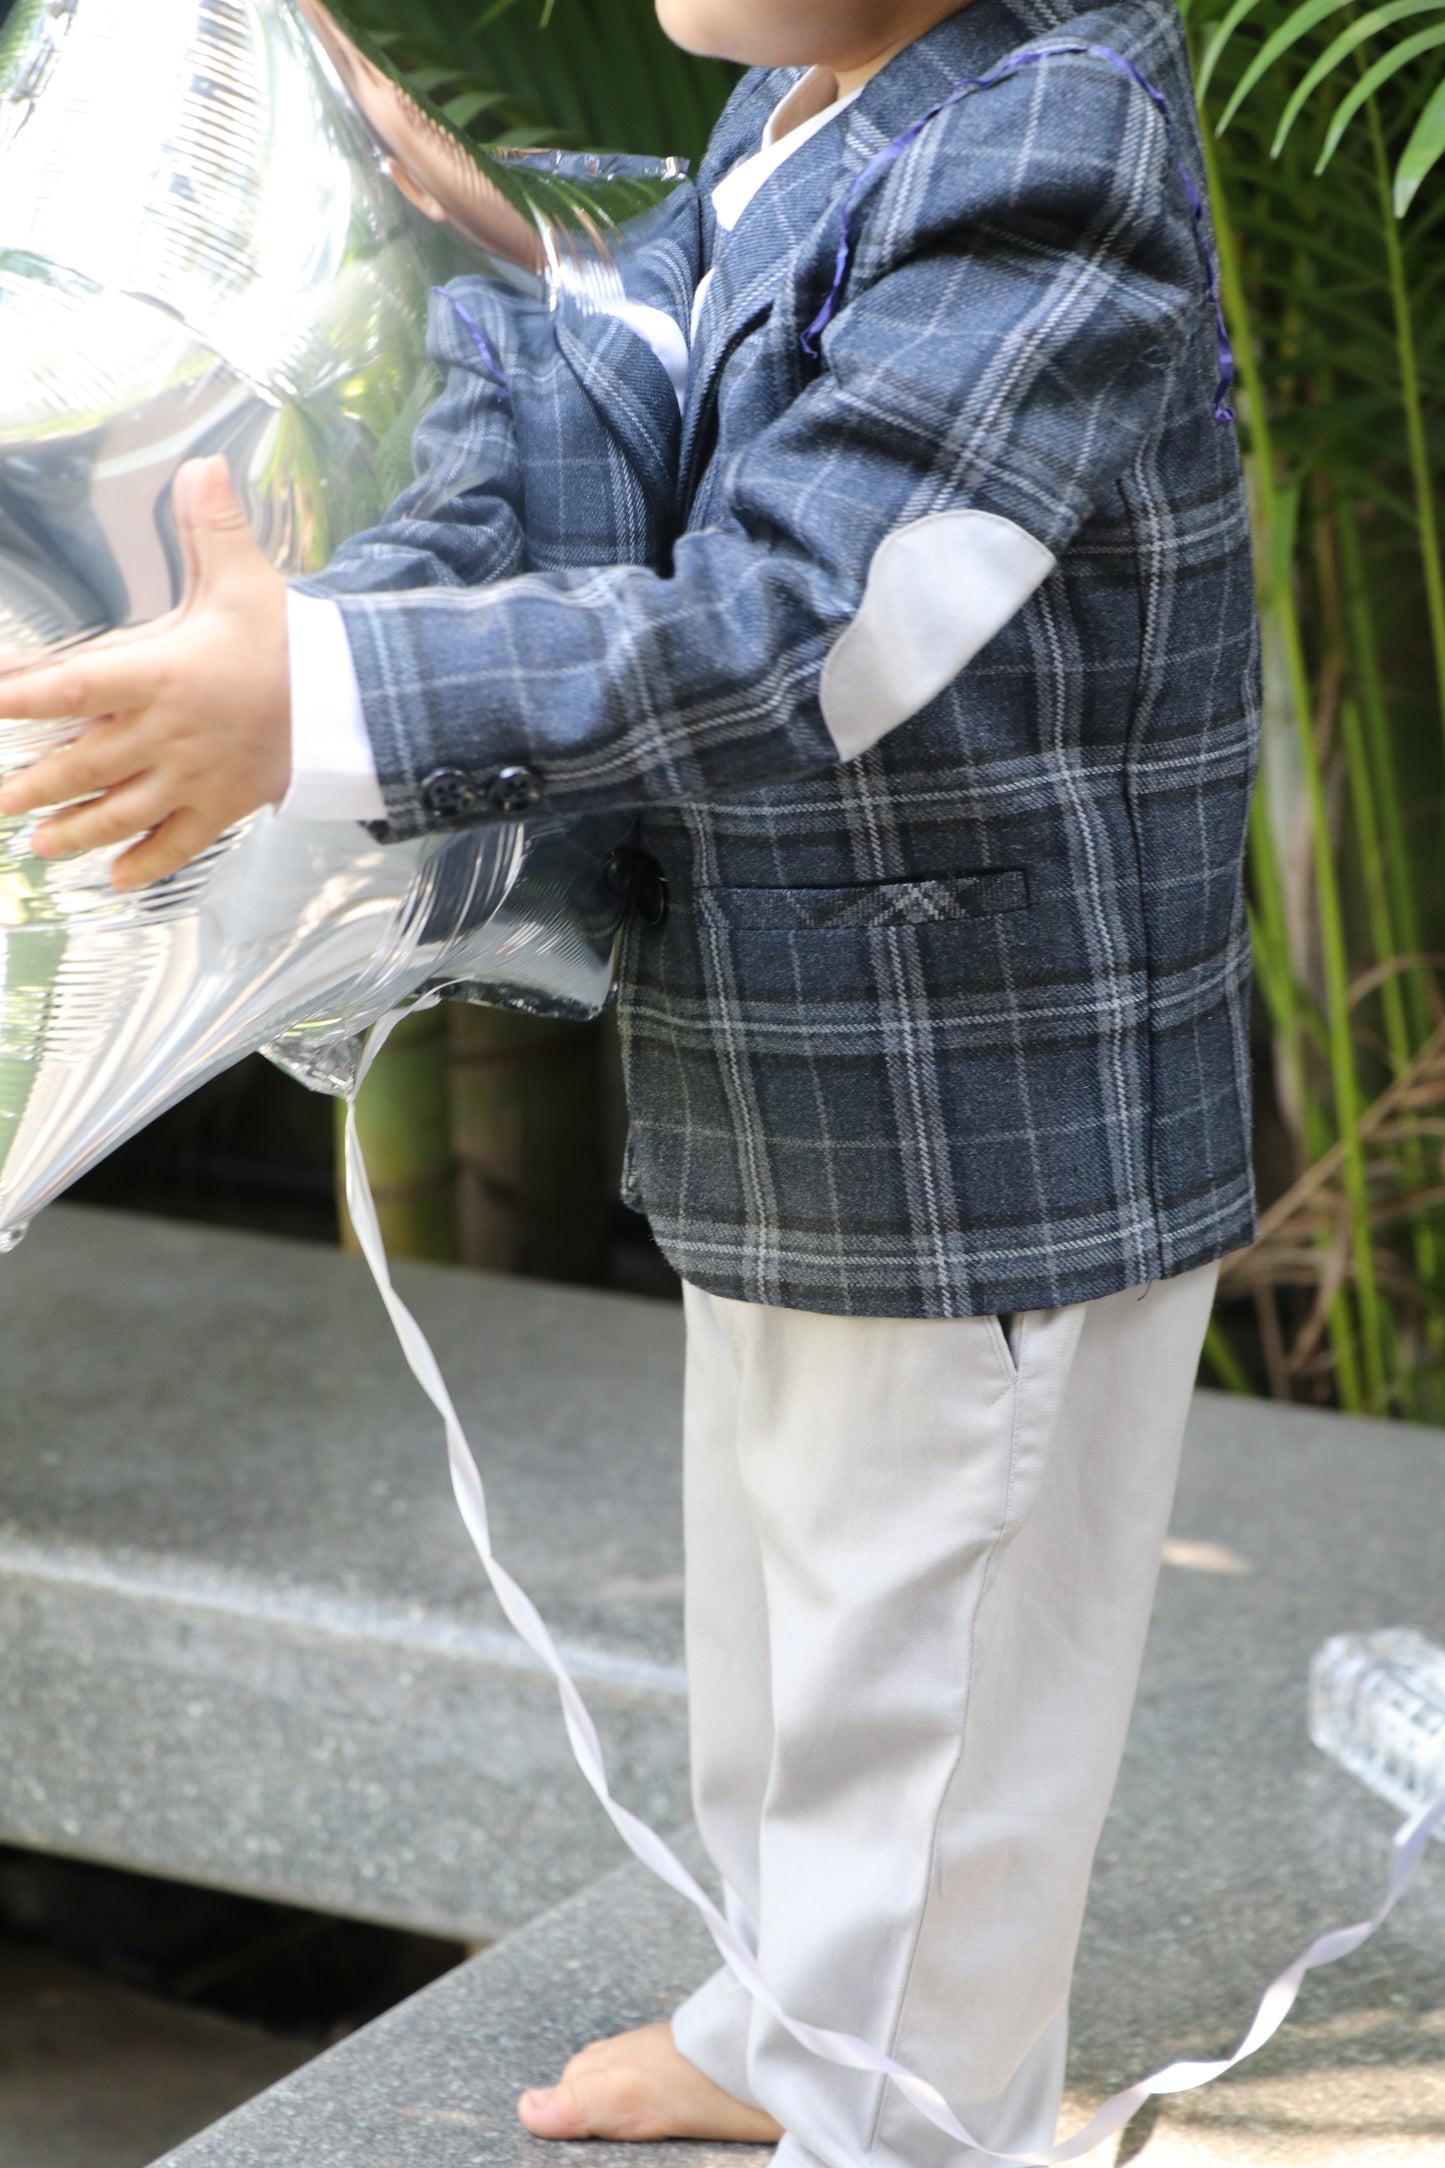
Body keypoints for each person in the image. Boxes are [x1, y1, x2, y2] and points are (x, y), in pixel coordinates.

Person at [0, 0, 1260, 2158]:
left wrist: (323, 689)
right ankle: (791, 2025)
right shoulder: (801, 110)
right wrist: (424, 369)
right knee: (790, 1632)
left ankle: (907, 2110)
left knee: (925, 1677)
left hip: (982, 1118)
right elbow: (607, 417)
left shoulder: (1054, 152)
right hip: (793, 1086)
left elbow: (807, 626)